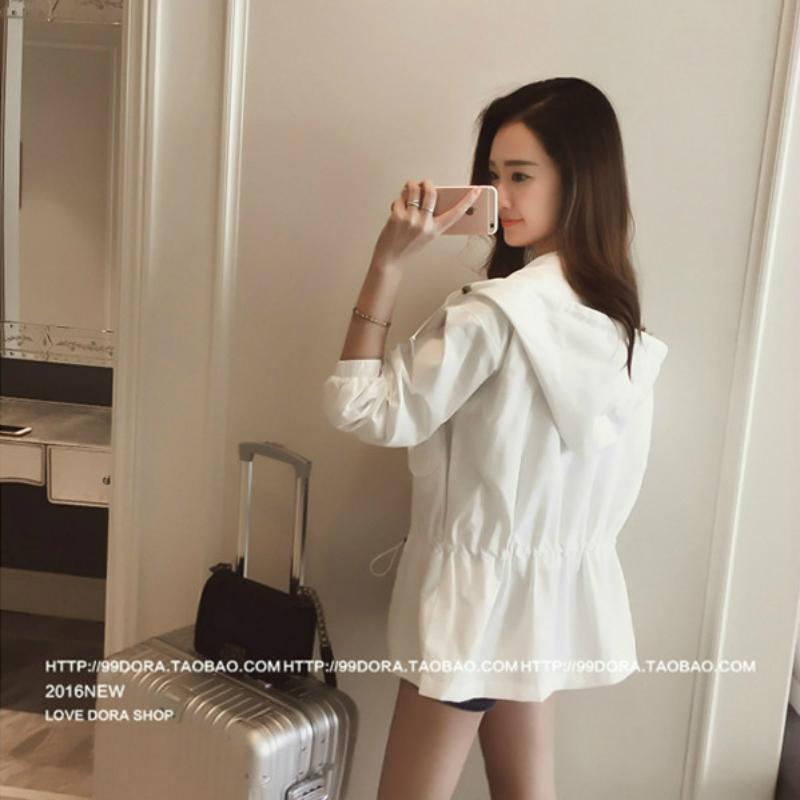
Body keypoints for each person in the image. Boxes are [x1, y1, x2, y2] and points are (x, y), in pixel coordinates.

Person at [322, 77, 668, 800]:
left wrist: (387, 262)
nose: (499, 197)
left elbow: (362, 410)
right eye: (491, 175)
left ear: (578, 181)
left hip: (470, 608)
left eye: (519, 176)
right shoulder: (615, 322)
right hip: (541, 602)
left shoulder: (493, 318)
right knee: (525, 790)